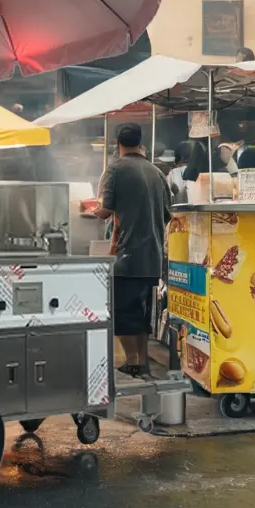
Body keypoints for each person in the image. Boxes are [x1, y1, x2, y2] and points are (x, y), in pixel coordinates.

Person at [94, 123, 172, 378]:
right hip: (153, 256)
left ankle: (133, 360)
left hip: (126, 255)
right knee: (142, 312)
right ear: (140, 143)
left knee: (122, 312)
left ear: (118, 144)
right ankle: (141, 361)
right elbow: (167, 214)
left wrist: (88, 210)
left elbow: (104, 210)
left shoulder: (114, 170)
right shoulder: (157, 172)